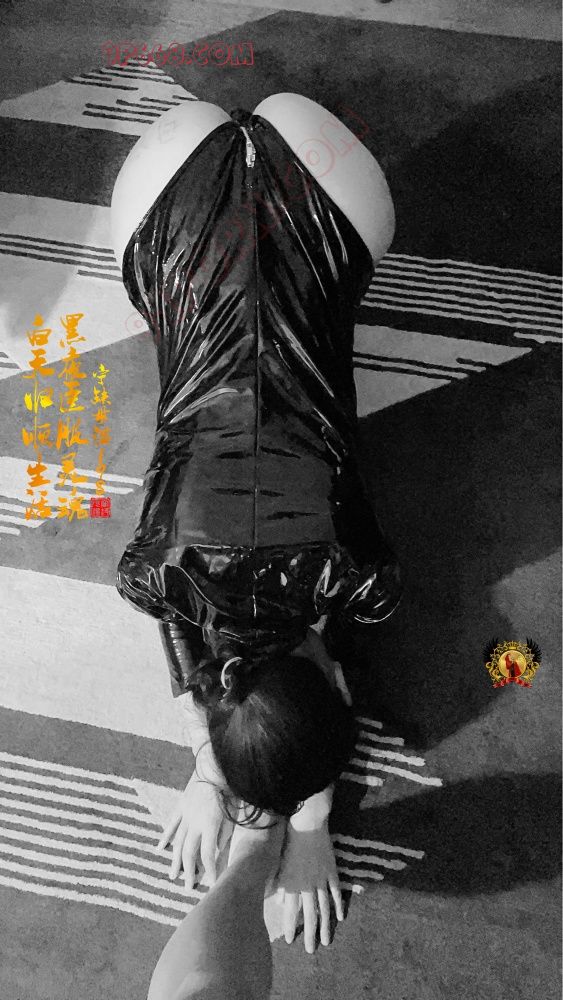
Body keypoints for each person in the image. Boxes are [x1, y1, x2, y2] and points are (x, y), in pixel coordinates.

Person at [110, 92, 405, 979]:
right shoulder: (155, 574)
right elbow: (190, 656)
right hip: (168, 197)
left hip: (330, 198)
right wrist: (219, 770)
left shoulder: (355, 581)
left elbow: (328, 666)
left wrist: (295, 813)